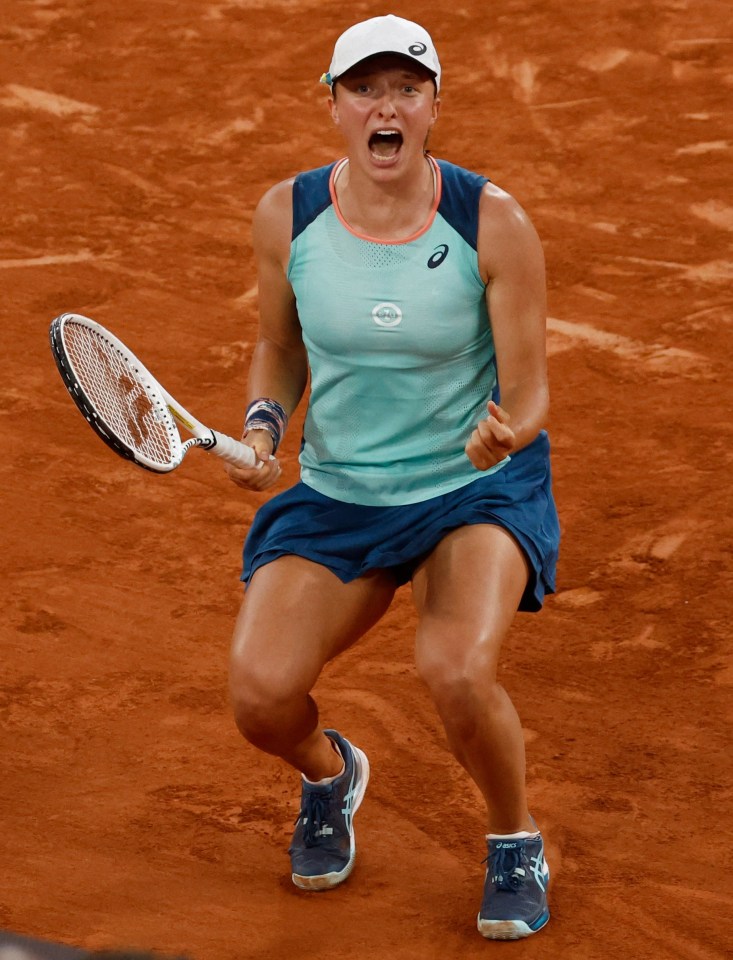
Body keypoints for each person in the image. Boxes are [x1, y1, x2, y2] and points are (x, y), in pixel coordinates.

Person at [226, 13, 560, 941]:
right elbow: (278, 346)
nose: (386, 106)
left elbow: (529, 394)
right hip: (341, 492)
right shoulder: (287, 215)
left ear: (433, 106)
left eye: (405, 89)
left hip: (470, 487)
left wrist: (505, 433)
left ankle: (513, 838)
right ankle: (331, 778)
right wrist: (263, 423)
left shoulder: (491, 221)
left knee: (454, 666)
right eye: (365, 89)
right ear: (332, 106)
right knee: (259, 698)